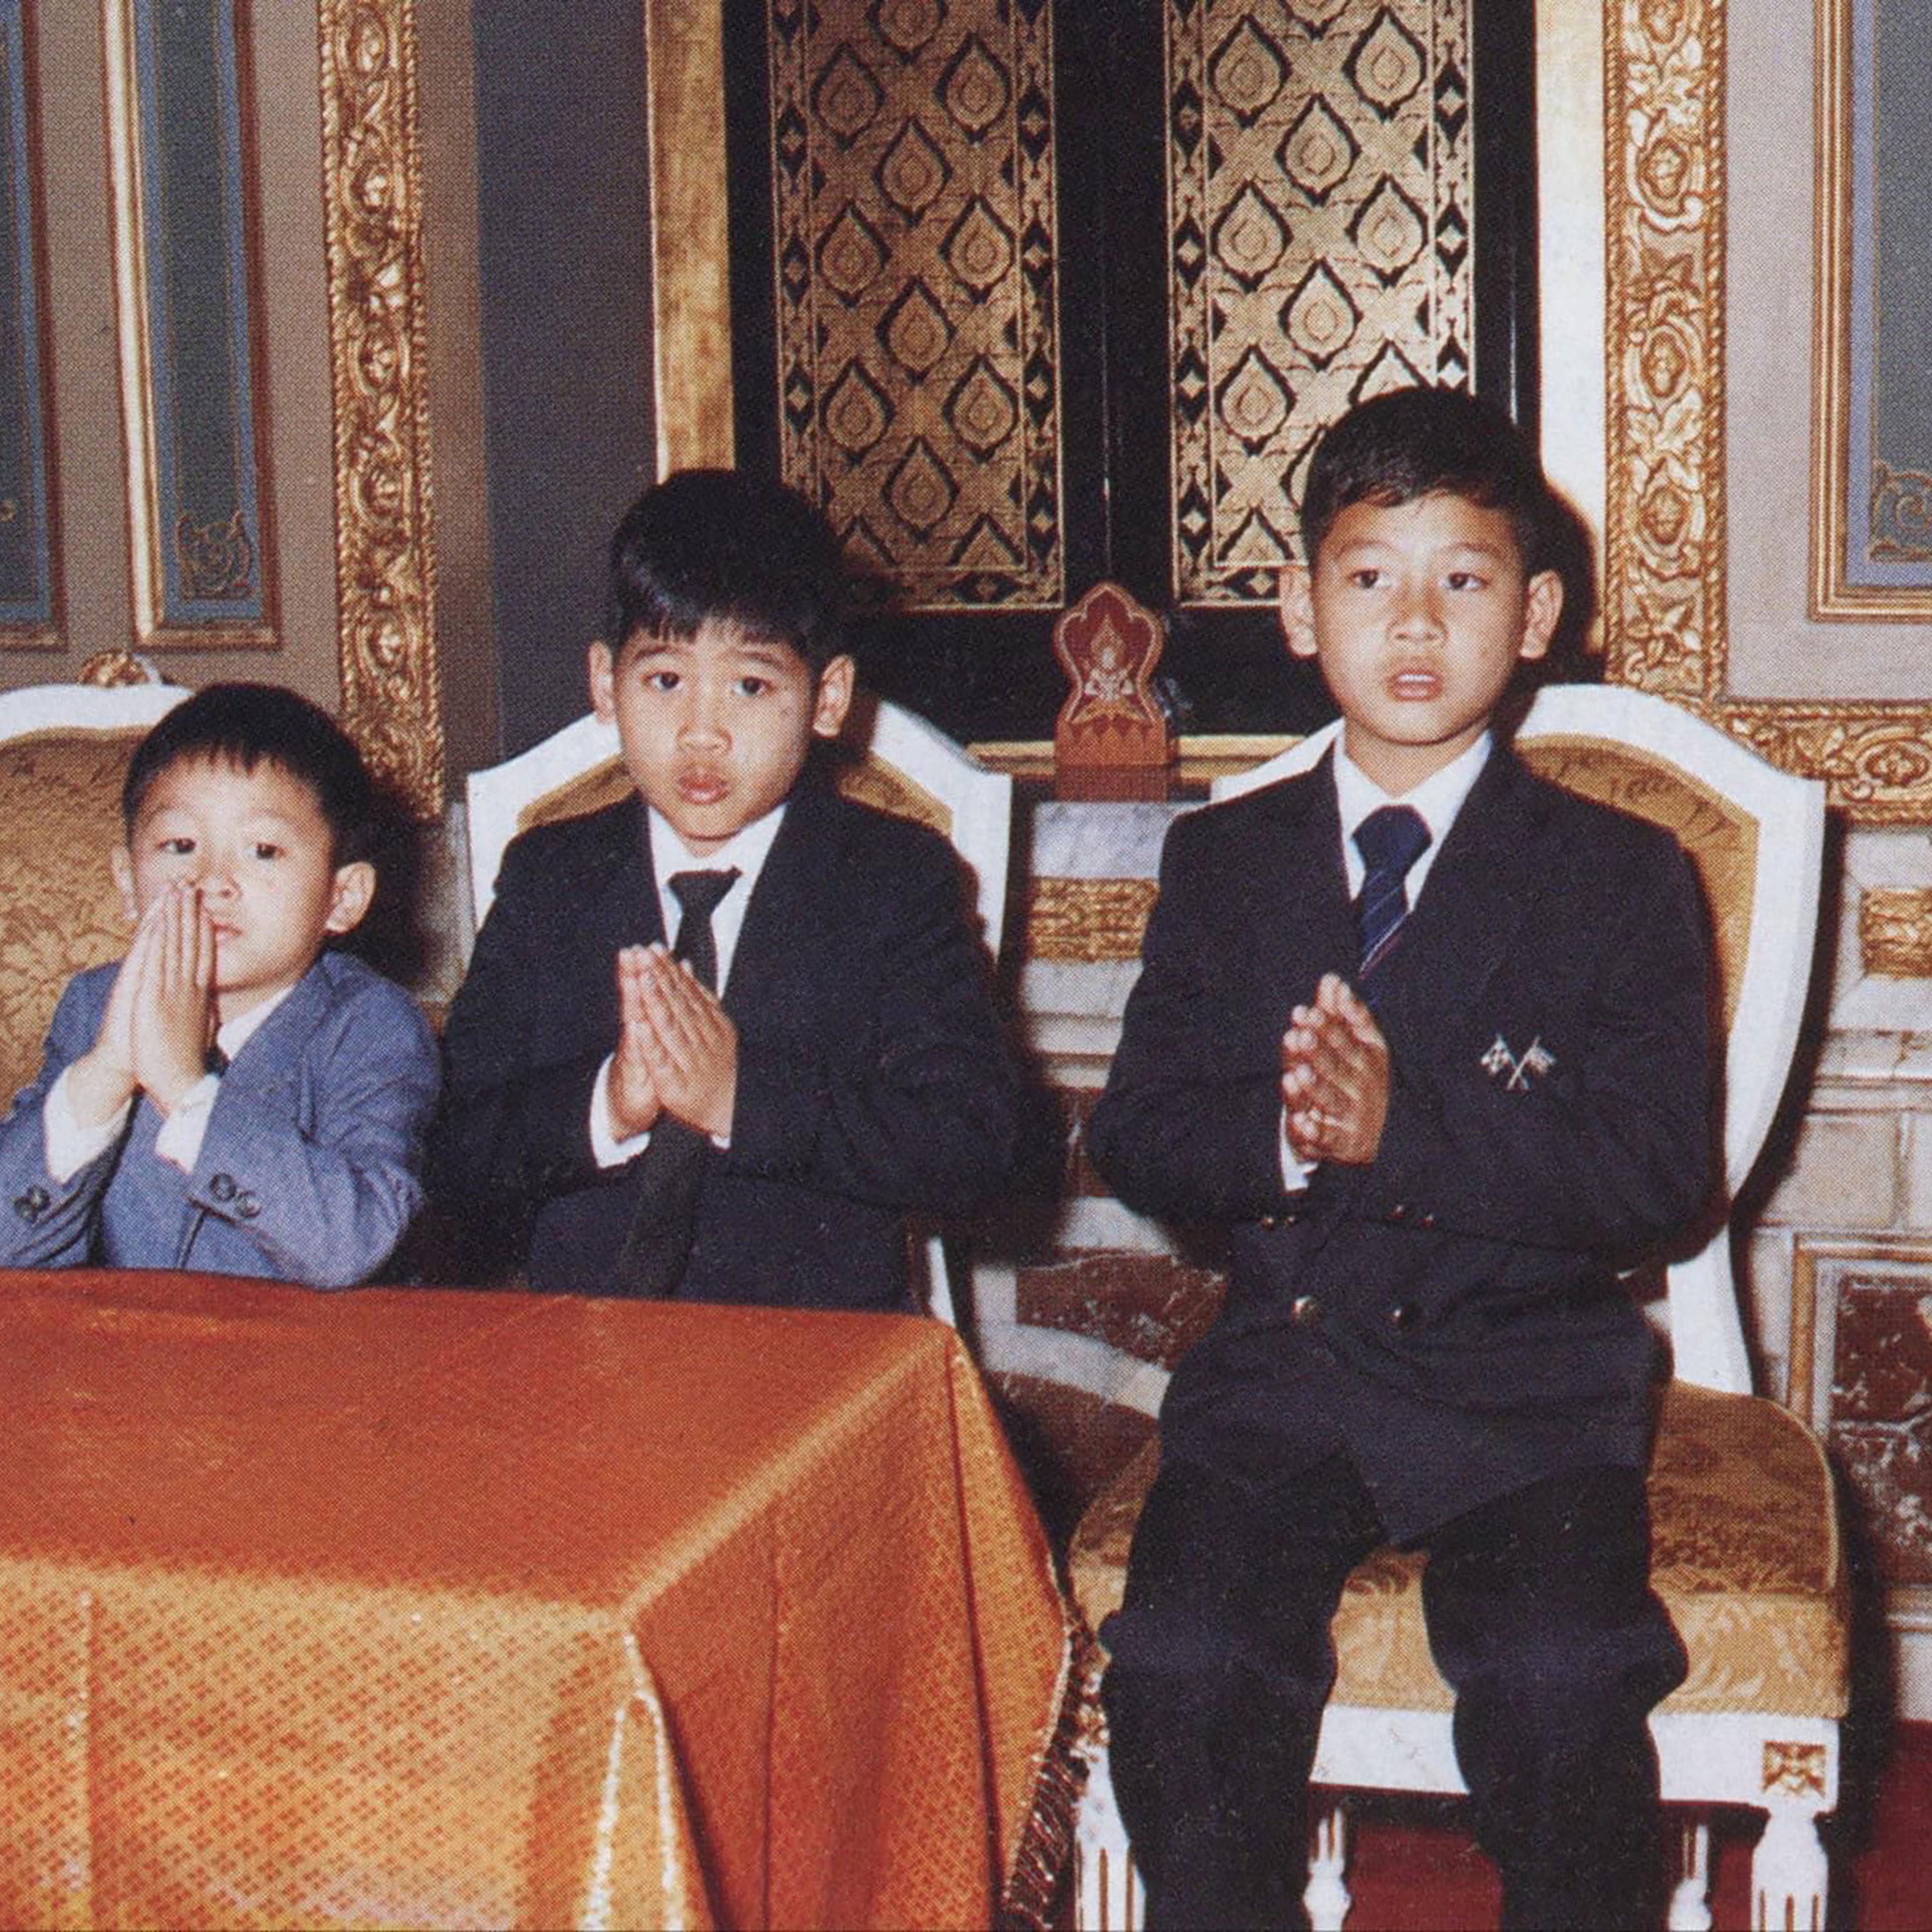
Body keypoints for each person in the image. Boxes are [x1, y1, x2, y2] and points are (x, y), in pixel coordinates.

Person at [1088, 385, 1714, 1929]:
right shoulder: (1224, 860)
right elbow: (1139, 1130)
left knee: (1559, 1678)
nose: (1415, 622)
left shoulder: (1622, 877)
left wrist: (1402, 1131)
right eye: (1369, 576)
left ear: (1538, 612)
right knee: (1186, 1661)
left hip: (1524, 1400)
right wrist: (1286, 1137)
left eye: (1464, 577)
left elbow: (1656, 1175)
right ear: (1303, 610)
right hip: (1281, 1387)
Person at [432, 468, 1020, 1306]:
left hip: (811, 1345)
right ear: (604, 684)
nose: (701, 732)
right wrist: (607, 1106)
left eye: (751, 685)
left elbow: (972, 1146)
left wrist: (740, 1097)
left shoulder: (891, 881)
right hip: (584, 1344)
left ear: (828, 698)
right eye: (665, 681)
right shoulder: (551, 878)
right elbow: (449, 1144)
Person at [0, 682, 439, 1285]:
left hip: (303, 1345)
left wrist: (184, 1089)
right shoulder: (96, 1009)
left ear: (342, 897)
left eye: (263, 851)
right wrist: (105, 1073)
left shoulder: (371, 1026)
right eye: (181, 846)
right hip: (119, 1342)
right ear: (127, 883)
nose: (213, 880)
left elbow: (354, 1241)